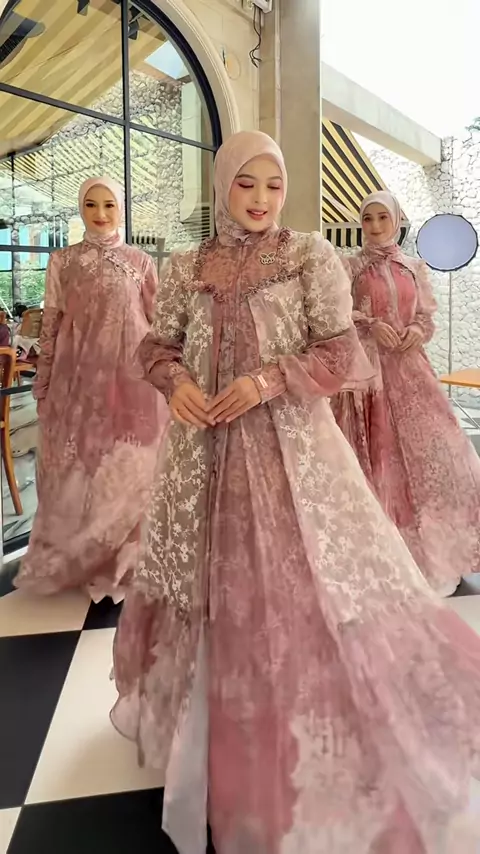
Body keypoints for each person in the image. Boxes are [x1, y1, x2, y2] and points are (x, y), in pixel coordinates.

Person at [111, 133, 480, 854]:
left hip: (292, 454)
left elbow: (339, 350)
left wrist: (265, 381)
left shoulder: (309, 255)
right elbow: (157, 346)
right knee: (218, 585)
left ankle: (296, 730)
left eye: (272, 185)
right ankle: (218, 733)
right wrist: (176, 383)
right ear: (223, 186)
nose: (259, 199)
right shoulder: (186, 264)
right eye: (244, 184)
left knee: (295, 579)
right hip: (202, 457)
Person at [15, 176, 169, 602]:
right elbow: (51, 326)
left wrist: (171, 376)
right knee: (78, 467)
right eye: (91, 205)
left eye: (109, 205)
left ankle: (122, 558)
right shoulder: (62, 262)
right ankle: (80, 558)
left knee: (128, 468)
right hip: (77, 384)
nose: (100, 214)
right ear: (81, 209)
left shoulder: (140, 262)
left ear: (121, 209)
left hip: (132, 385)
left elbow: (159, 326)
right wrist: (44, 381)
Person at [331, 191, 480, 596]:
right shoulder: (348, 266)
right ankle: (381, 563)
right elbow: (335, 314)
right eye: (368, 219)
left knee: (441, 454)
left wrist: (416, 330)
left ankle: (439, 557)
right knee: (376, 463)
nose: (376, 226)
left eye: (383, 218)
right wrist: (368, 324)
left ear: (396, 221)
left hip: (411, 372)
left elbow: (425, 317)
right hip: (367, 376)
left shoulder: (414, 267)